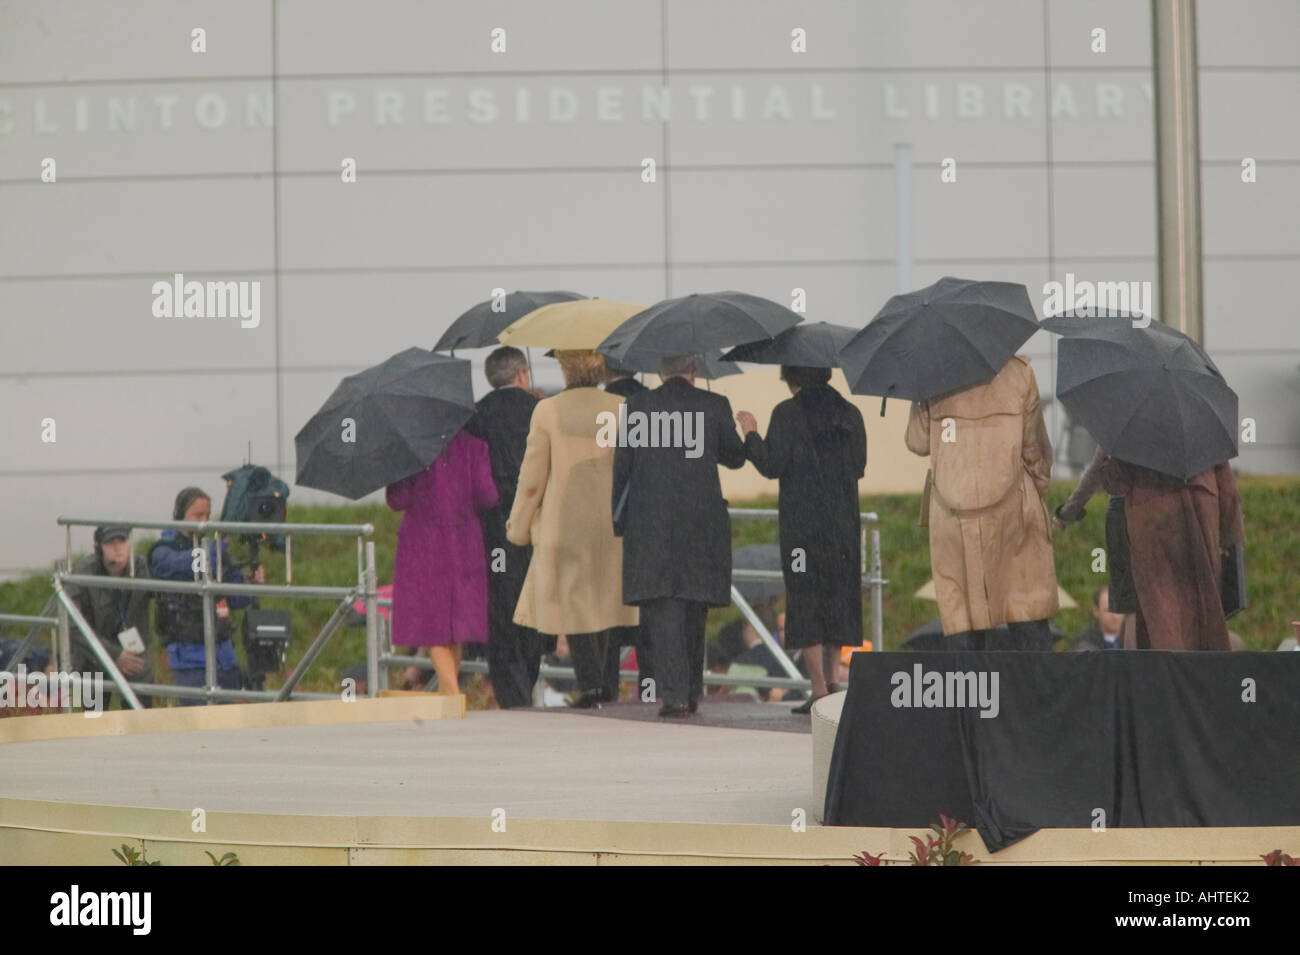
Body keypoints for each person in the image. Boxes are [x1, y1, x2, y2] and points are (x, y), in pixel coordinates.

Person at [613, 355, 748, 717]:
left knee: (663, 607)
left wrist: (619, 521)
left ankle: (674, 695)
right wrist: (744, 431)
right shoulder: (713, 404)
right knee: (694, 604)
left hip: (651, 523)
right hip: (701, 524)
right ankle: (690, 690)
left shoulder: (638, 407)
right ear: (693, 371)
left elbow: (622, 466)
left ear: (660, 370)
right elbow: (735, 458)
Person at [507, 350, 639, 707]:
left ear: (565, 371)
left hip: (565, 521)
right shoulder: (622, 407)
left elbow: (532, 478)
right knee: (608, 601)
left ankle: (592, 684)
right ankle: (607, 684)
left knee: (576, 602)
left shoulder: (547, 410)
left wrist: (518, 527)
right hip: (614, 520)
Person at [904, 355, 1058, 648]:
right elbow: (1033, 446)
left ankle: (971, 692)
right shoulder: (1019, 373)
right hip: (1013, 508)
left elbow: (918, 442)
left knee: (963, 619)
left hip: (951, 513)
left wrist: (919, 396)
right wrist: (1041, 489)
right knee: (1026, 610)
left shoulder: (933, 374)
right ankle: (1038, 692)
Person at [737, 365, 867, 712]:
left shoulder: (788, 413)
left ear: (791, 377)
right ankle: (835, 682)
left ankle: (819, 688)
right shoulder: (850, 413)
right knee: (839, 597)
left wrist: (750, 434)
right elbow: (860, 464)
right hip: (842, 527)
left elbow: (771, 464)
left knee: (805, 599)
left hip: (802, 528)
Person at [386, 428, 498, 695]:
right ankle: (448, 695)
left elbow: (397, 500)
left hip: (423, 546)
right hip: (464, 545)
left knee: (432, 626)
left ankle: (451, 695)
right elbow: (488, 496)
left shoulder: (412, 449)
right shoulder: (476, 446)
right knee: (455, 628)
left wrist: (395, 468)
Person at [466, 346, 547, 708]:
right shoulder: (539, 410)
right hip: (536, 526)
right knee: (535, 604)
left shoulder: (475, 415)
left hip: (491, 529)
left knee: (501, 610)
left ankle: (512, 695)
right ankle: (527, 679)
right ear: (522, 374)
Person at [1097, 456, 1245, 650]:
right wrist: (1231, 541)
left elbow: (1115, 483)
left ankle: (1168, 673)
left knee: (1161, 618)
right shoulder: (1205, 434)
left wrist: (1107, 460)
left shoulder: (1136, 436)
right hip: (1200, 529)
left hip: (1152, 531)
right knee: (1203, 615)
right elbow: (1229, 498)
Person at [150, 488, 262, 705]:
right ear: (179, 515)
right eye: (197, 516)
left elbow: (236, 599)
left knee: (230, 722)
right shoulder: (163, 551)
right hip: (188, 656)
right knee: (197, 722)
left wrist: (250, 583)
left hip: (224, 654)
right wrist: (220, 545)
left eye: (207, 516)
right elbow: (186, 564)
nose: (204, 522)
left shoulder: (214, 549)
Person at [600, 359, 653, 695]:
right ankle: (650, 687)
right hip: (649, 520)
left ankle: (604, 687)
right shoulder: (652, 402)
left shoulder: (598, 405)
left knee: (605, 610)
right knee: (648, 612)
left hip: (605, 520)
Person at [66, 525, 155, 709]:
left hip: (133, 653)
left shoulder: (141, 567)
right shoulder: (84, 573)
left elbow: (165, 594)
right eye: (110, 543)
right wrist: (114, 654)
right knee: (94, 719)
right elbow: (74, 626)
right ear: (99, 548)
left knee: (141, 717)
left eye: (122, 541)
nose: (117, 548)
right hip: (94, 656)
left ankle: (138, 733)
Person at [1070, 585, 1126, 651]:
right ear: (1096, 611)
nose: (1115, 616)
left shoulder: (1135, 638)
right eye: (1108, 610)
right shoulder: (1084, 642)